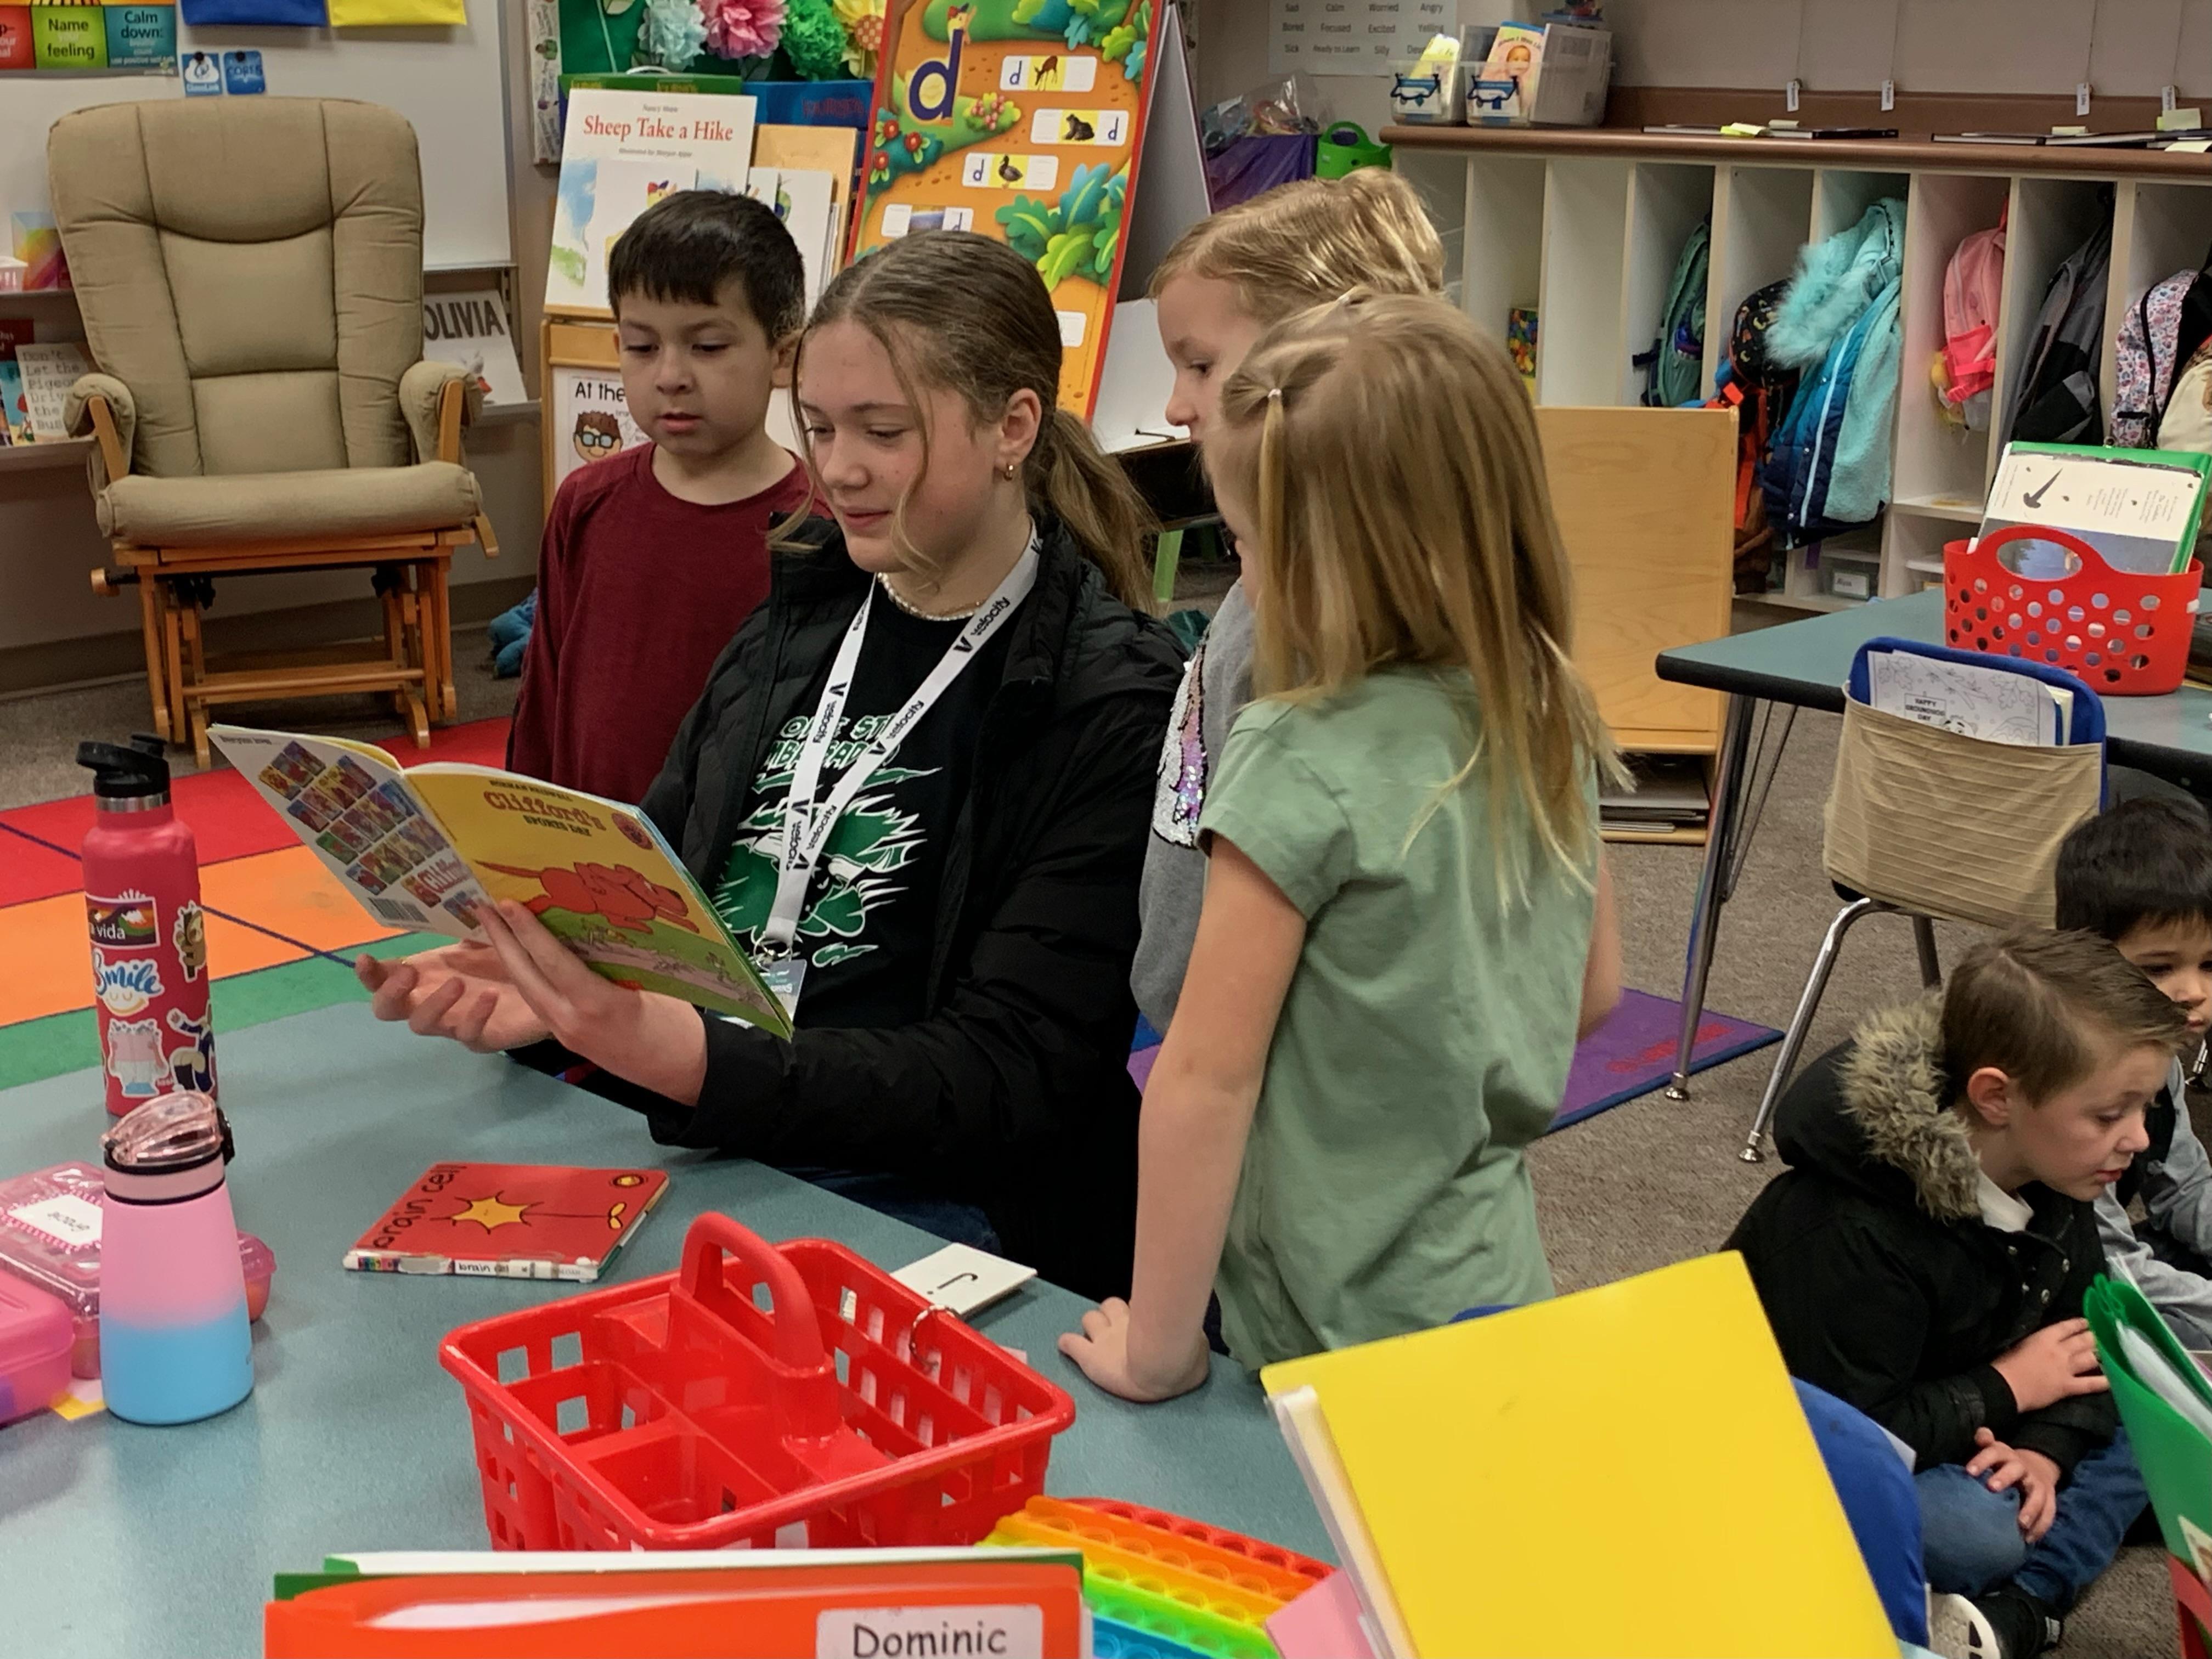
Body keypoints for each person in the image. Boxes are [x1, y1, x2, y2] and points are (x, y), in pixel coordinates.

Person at [359, 232, 1182, 1300]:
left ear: (1013, 427)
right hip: (721, 1130)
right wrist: (559, 976)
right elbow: (662, 870)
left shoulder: (1107, 698)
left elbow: (1007, 1075)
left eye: (884, 433)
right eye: (823, 426)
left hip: (936, 1194)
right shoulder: (804, 606)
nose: (837, 469)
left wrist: (679, 1054)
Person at [1058, 294, 1622, 1402]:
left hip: (1327, 1318)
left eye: (1254, 549)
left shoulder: (1294, 753)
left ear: (1348, 556)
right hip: (1489, 1272)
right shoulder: (1544, 700)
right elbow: (1593, 990)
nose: (1247, 586)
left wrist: (1161, 1351)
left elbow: (1204, 1079)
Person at [1726, 929, 2186, 1659]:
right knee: (1977, 1533)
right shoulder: (1855, 1232)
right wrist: (2007, 1388)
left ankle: (2022, 1593)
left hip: (1970, 1415)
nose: (2136, 1140)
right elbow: (1853, 1437)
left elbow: (2084, 1342)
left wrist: (2046, 1453)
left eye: (2143, 1110)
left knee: (2168, 1394)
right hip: (1807, 1454)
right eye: (2110, 1115)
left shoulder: (2057, 1167)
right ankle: (2027, 1594)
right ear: (1998, 1098)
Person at [1134, 170, 1453, 1033]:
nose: (1174, 406)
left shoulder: (1333, 629)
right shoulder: (1258, 581)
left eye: (1200, 365)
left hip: (1277, 1070)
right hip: (1212, 1034)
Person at [506, 189, 817, 804]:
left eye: (707, 347)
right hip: (589, 853)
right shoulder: (586, 501)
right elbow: (543, 694)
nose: (670, 375)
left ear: (782, 355)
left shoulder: (821, 527)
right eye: (642, 347)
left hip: (735, 872)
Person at [2055, 797, 2212, 1343]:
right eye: (2159, 967)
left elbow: (2185, 1187)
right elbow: (2107, 1263)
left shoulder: (2153, 1049)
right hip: (2048, 1285)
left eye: (2210, 964)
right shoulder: (2070, 1081)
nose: (2194, 992)